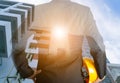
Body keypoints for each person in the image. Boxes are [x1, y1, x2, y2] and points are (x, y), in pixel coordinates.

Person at [13, 0, 106, 83]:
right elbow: (97, 47)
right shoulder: (84, 12)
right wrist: (101, 74)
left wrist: (27, 72)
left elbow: (17, 43)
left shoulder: (37, 10)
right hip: (74, 79)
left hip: (45, 78)